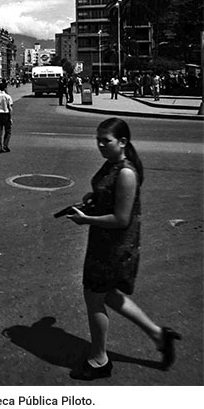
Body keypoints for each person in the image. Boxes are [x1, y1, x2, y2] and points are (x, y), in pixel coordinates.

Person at [65, 117, 181, 380]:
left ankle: (99, 360)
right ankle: (158, 335)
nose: (100, 146)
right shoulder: (112, 164)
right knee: (108, 295)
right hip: (104, 243)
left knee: (94, 296)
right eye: (98, 141)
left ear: (123, 142)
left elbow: (121, 219)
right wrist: (94, 199)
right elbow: (110, 196)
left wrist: (86, 219)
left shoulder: (126, 172)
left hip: (114, 247)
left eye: (106, 141)